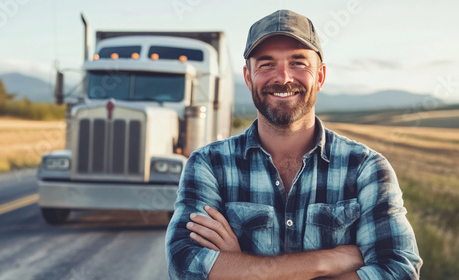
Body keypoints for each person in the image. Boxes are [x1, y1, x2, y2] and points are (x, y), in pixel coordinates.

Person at [166, 9, 422, 280]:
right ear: (248, 77)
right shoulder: (209, 164)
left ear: (320, 77)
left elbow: (399, 270)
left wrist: (238, 265)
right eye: (266, 64)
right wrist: (330, 260)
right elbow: (185, 264)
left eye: (298, 63)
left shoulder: (365, 169)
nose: (283, 77)